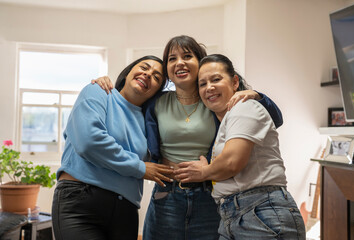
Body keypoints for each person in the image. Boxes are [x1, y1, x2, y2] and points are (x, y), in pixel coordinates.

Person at [92, 35, 283, 240]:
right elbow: (126, 100)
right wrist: (105, 84)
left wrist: (256, 95)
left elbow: (274, 119)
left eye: (187, 56)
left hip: (209, 195)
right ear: (167, 70)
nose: (179, 62)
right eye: (172, 59)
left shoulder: (214, 98)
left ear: (199, 62)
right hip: (167, 195)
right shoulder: (155, 102)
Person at [174, 54, 306, 239]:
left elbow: (232, 162)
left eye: (216, 79)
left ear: (235, 82)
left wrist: (204, 172)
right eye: (202, 84)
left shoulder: (245, 106)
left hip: (261, 211)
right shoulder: (219, 119)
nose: (209, 87)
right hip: (233, 214)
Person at [52, 55, 174, 240]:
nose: (148, 74)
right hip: (81, 201)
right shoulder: (98, 92)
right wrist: (139, 168)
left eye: (157, 77)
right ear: (130, 71)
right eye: (144, 67)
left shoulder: (149, 120)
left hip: (126, 210)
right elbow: (89, 142)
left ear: (157, 91)